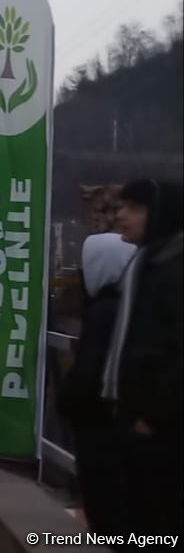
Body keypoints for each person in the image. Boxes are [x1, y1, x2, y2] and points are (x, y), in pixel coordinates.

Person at [101, 178, 183, 538]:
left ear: (161, 214)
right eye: (120, 207)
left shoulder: (174, 271)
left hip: (162, 429)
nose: (120, 216)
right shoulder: (147, 262)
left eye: (133, 209)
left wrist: (153, 415)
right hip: (136, 419)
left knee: (158, 527)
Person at [60, 230, 136, 535]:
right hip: (118, 423)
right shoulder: (133, 305)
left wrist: (68, 399)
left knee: (107, 507)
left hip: (99, 424)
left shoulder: (104, 312)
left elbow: (89, 375)